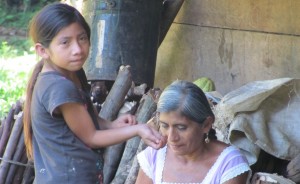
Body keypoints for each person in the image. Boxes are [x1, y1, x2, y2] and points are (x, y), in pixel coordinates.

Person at [22, 3, 165, 184]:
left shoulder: (73, 72)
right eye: (65, 42)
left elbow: (88, 119)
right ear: (43, 50)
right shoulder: (58, 87)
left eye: (82, 38)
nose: (78, 49)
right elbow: (91, 137)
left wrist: (112, 125)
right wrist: (137, 130)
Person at [136, 80, 251, 184]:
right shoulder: (154, 156)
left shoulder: (229, 164)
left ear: (206, 125)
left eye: (181, 127)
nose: (171, 137)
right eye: (164, 126)